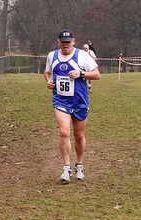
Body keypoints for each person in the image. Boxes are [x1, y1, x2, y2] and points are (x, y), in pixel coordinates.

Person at [44, 29, 100, 184]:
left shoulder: (82, 55)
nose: (65, 45)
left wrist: (81, 74)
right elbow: (47, 72)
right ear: (58, 42)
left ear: (73, 42)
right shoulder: (52, 56)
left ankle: (79, 164)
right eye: (63, 42)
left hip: (80, 101)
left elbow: (97, 75)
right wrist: (48, 81)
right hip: (60, 100)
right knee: (64, 132)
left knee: (79, 136)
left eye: (68, 42)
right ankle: (66, 167)